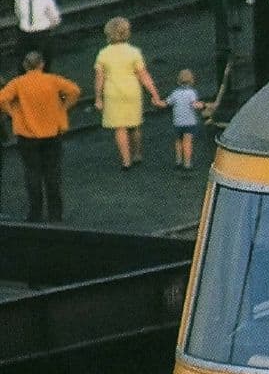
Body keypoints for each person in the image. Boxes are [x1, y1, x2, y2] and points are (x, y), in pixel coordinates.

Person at [0, 50, 80, 222]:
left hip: (27, 135)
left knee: (32, 173)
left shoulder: (18, 83)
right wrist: (63, 108)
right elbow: (74, 90)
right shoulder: (52, 80)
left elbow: (2, 99)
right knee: (53, 173)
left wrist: (13, 113)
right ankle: (55, 213)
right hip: (52, 133)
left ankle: (35, 213)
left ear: (24, 66)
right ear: (42, 64)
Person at [92, 15, 164, 171]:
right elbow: (144, 75)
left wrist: (98, 98)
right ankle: (137, 153)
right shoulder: (134, 52)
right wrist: (155, 94)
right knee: (135, 125)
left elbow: (99, 79)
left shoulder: (103, 54)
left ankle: (126, 161)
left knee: (120, 127)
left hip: (113, 93)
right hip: (132, 91)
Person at [166, 66, 201, 172]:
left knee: (178, 141)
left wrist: (157, 102)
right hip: (190, 122)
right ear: (192, 81)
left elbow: (166, 103)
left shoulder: (175, 93)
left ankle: (178, 160)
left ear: (178, 81)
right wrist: (203, 105)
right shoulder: (192, 93)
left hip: (178, 122)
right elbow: (195, 105)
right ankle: (187, 163)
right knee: (187, 142)